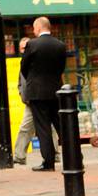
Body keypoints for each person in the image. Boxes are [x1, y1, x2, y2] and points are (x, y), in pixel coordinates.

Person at [19, 16, 67, 171]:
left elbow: (24, 67)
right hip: (55, 90)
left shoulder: (32, 45)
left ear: (38, 28)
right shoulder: (60, 45)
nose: (33, 31)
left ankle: (49, 162)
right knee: (61, 125)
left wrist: (34, 80)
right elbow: (61, 68)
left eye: (34, 28)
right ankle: (74, 155)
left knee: (43, 127)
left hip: (37, 92)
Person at [14, 36, 59, 166]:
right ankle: (19, 155)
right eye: (22, 48)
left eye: (25, 47)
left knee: (49, 128)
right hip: (29, 101)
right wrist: (21, 93)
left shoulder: (36, 62)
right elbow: (20, 82)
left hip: (40, 98)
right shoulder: (23, 62)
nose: (24, 50)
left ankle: (54, 154)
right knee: (25, 128)